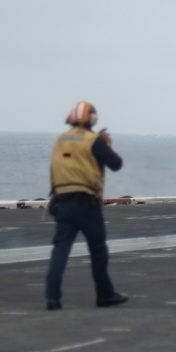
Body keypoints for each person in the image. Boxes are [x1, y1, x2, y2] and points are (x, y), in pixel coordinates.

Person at [45, 101, 128, 310]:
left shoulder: (60, 140)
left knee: (60, 250)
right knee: (98, 249)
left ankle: (52, 297)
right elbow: (116, 164)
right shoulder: (93, 140)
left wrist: (55, 197)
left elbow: (54, 169)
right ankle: (104, 295)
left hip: (62, 201)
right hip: (86, 202)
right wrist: (105, 143)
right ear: (92, 119)